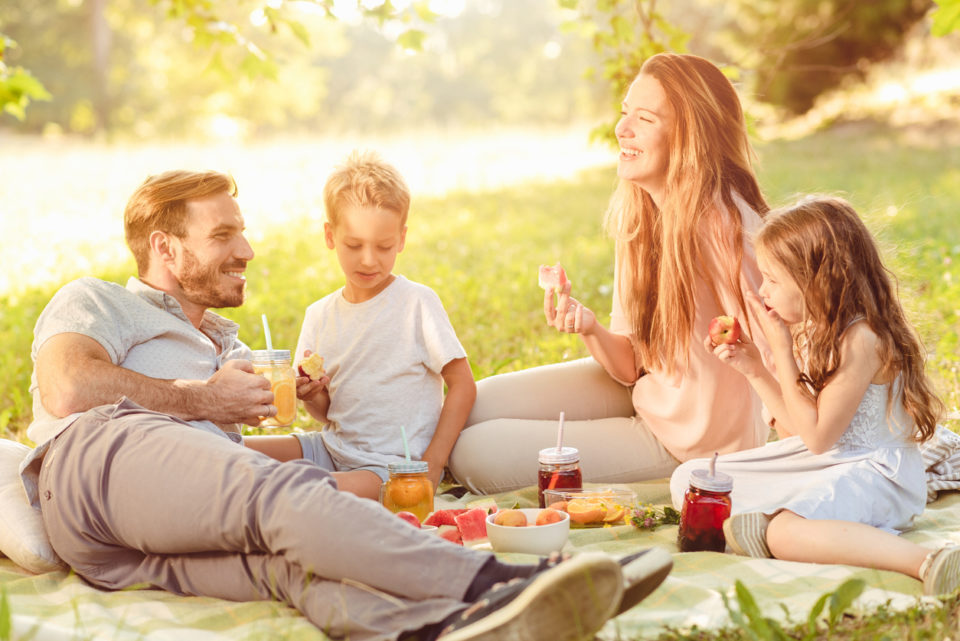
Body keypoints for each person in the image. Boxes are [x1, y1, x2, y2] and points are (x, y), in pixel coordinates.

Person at [21, 169, 673, 641]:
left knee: (289, 568)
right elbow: (68, 385)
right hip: (95, 461)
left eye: (242, 232)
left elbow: (227, 453)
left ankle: (447, 625)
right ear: (165, 248)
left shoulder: (225, 343)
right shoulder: (97, 299)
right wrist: (202, 399)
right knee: (284, 495)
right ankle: (498, 579)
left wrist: (283, 413)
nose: (247, 250)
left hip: (120, 542)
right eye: (224, 234)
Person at [449, 53, 773, 495]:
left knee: (473, 453)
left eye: (645, 118)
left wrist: (788, 467)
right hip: (646, 394)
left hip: (692, 443)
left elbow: (780, 351)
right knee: (468, 406)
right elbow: (631, 364)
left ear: (690, 137)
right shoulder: (641, 213)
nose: (622, 129)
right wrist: (590, 328)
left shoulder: (724, 225)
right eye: (625, 113)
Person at [669, 197, 959, 595]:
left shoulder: (862, 339)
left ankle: (928, 561)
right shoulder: (822, 327)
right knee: (694, 482)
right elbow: (797, 431)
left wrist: (782, 352)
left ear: (814, 281)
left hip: (879, 475)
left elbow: (818, 439)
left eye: (772, 278)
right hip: (832, 460)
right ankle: (783, 521)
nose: (762, 289)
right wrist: (754, 367)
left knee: (784, 536)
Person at [288, 150, 475, 500]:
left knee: (295, 490)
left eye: (384, 246)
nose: (369, 260)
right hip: (331, 449)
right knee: (235, 456)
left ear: (401, 240)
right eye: (354, 245)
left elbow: (462, 385)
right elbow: (326, 414)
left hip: (389, 468)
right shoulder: (319, 314)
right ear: (330, 236)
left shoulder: (416, 304)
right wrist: (313, 395)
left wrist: (433, 464)